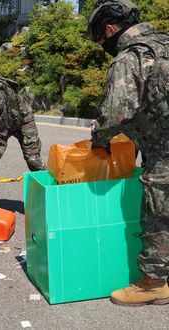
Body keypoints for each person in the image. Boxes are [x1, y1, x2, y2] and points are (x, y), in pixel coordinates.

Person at [88, 0, 169, 306]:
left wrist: (99, 139)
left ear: (109, 30)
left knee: (159, 214)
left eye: (100, 40)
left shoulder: (132, 57)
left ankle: (153, 283)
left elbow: (114, 113)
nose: (103, 45)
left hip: (164, 151)